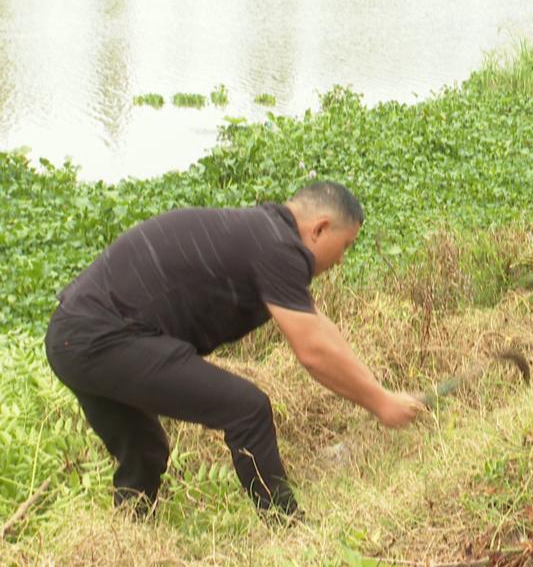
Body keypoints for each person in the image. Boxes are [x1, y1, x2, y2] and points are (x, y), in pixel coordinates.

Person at [44, 181, 424, 518]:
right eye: (345, 247)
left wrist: (380, 390)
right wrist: (380, 404)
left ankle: (128, 535)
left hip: (71, 336)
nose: (341, 261)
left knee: (145, 452)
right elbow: (313, 351)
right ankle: (286, 525)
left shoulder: (265, 233)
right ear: (320, 229)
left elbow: (319, 328)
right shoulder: (278, 246)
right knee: (247, 409)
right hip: (103, 336)